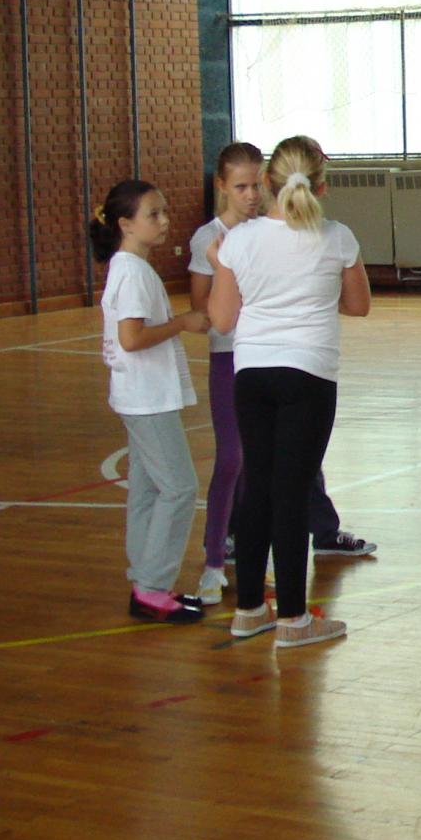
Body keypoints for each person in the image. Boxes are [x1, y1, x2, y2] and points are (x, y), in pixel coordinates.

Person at [208, 135, 370, 650]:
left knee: (257, 485)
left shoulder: (240, 240)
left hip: (252, 373)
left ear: (267, 183)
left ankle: (249, 610)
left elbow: (222, 319)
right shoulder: (337, 236)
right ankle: (295, 619)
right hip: (309, 373)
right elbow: (359, 305)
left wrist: (224, 265)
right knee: (293, 490)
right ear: (321, 186)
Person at [90, 179, 207, 625]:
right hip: (146, 399)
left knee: (148, 488)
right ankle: (152, 588)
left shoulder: (131, 268)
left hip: (141, 395)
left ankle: (146, 579)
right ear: (125, 224)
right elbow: (132, 338)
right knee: (179, 487)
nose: (163, 221)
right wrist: (184, 322)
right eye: (153, 214)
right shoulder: (132, 273)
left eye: (164, 212)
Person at [187, 142, 264, 605]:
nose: (251, 195)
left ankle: (252, 551)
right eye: (241, 187)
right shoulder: (208, 238)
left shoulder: (268, 231)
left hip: (266, 356)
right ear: (221, 186)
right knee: (231, 457)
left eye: (257, 185)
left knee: (261, 462)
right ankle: (213, 562)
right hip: (229, 358)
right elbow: (203, 308)